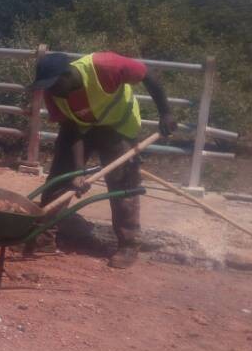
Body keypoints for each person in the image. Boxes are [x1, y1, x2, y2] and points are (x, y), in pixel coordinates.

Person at [31, 51, 177, 268]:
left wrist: (165, 112)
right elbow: (71, 130)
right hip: (80, 129)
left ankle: (128, 244)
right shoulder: (53, 94)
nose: (51, 91)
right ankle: (43, 238)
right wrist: (78, 172)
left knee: (122, 183)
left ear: (67, 75)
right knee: (60, 178)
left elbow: (147, 74)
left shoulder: (105, 66)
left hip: (117, 126)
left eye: (54, 84)